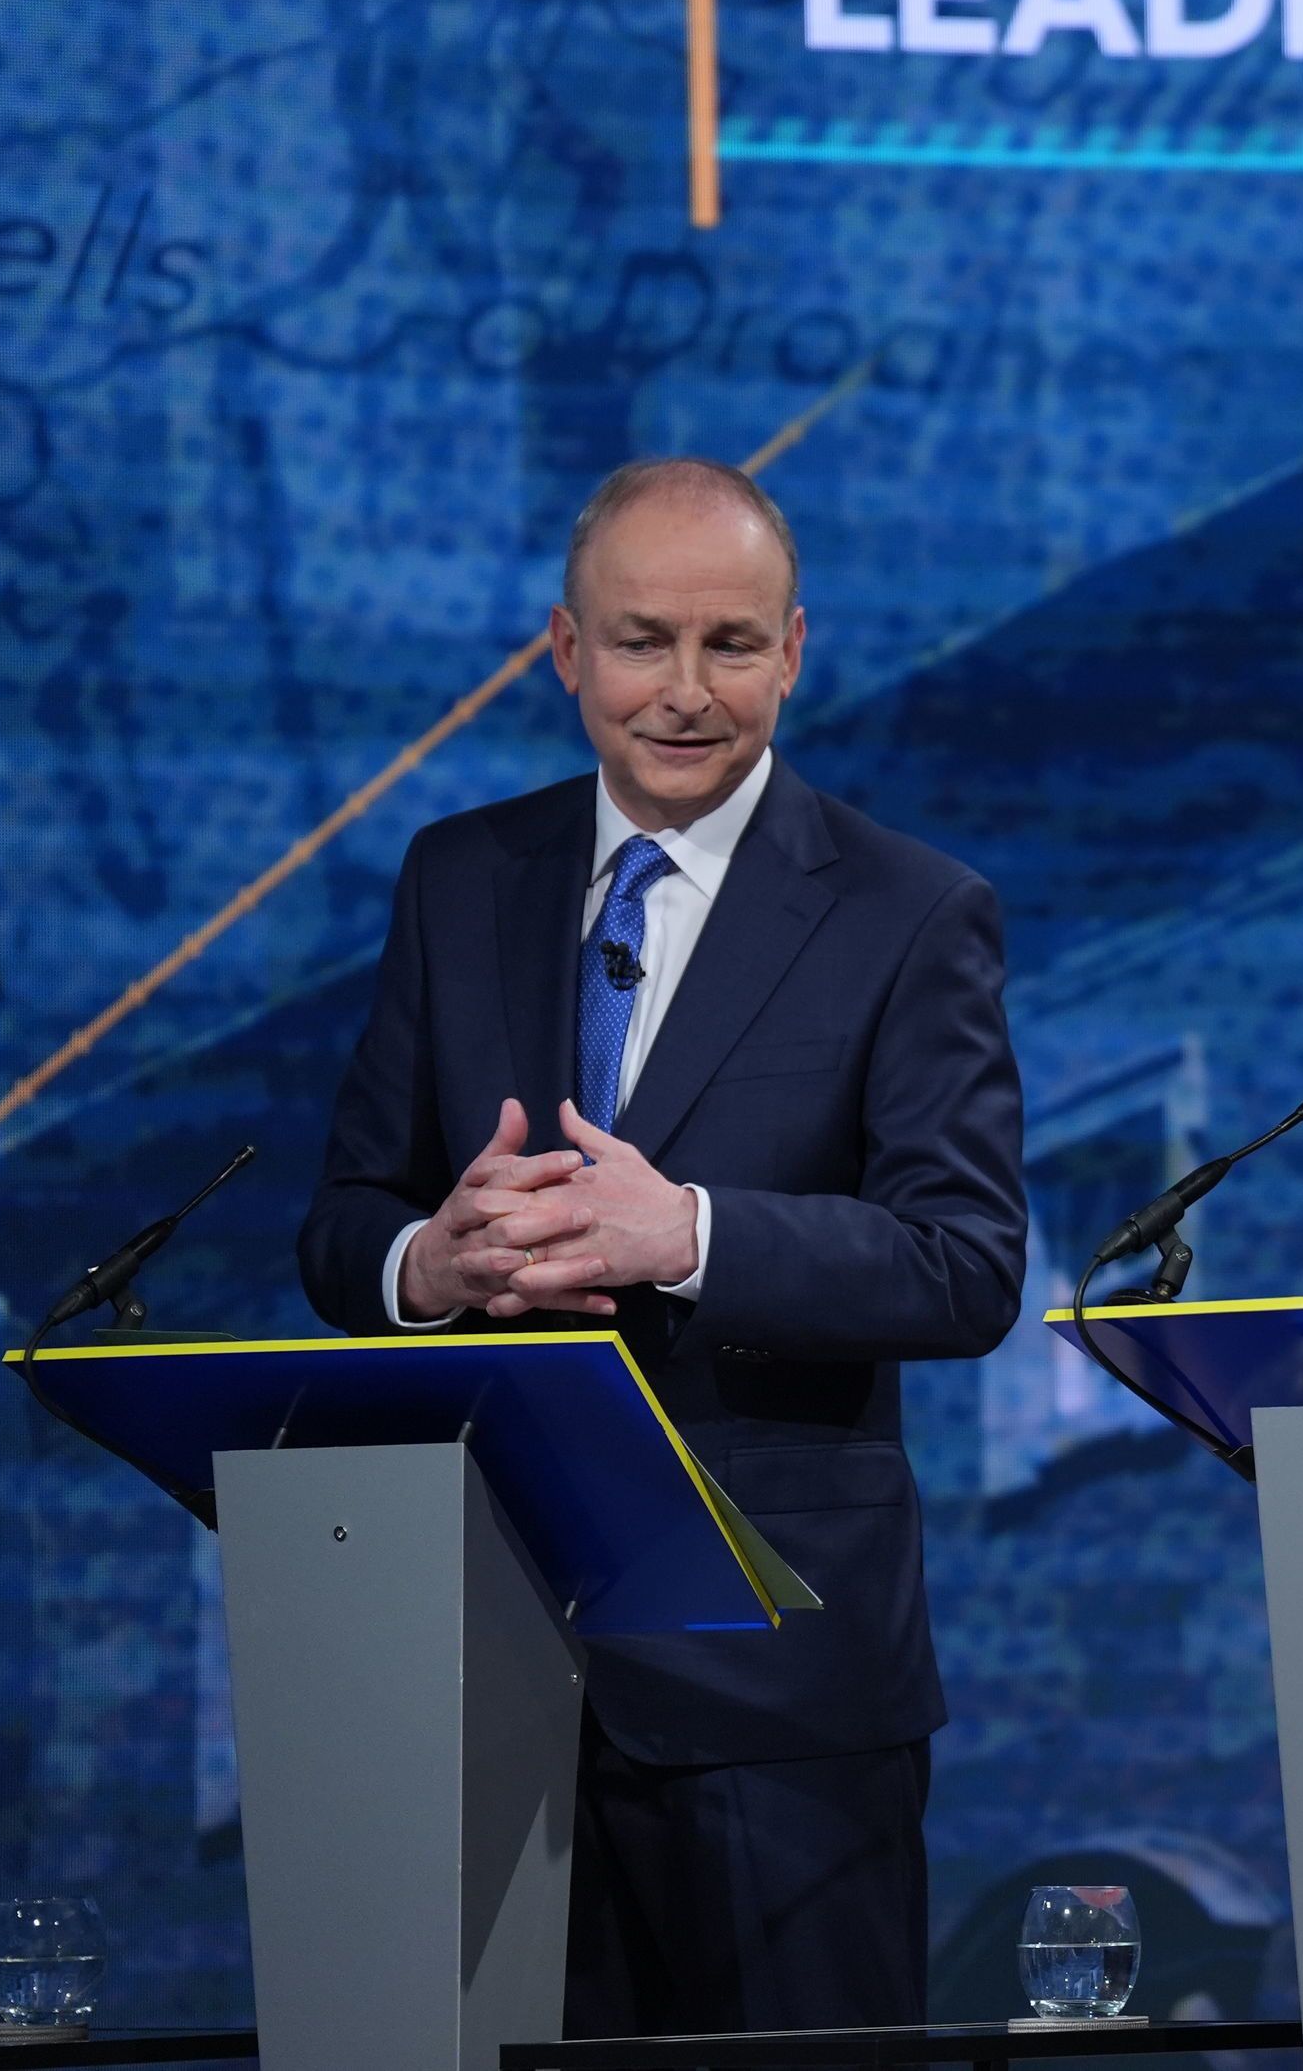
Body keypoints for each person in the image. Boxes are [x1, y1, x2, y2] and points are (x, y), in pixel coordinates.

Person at [297, 457, 1027, 2039]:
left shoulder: (912, 910)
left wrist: (685, 1233)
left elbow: (965, 1263)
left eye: (731, 644)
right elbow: (346, 1217)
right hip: (491, 1659)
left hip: (784, 1685)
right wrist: (433, 1262)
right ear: (565, 649)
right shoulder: (457, 877)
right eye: (642, 643)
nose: (685, 692)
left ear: (796, 651)